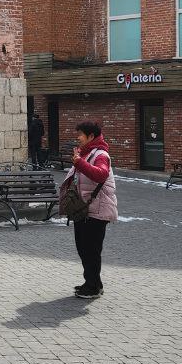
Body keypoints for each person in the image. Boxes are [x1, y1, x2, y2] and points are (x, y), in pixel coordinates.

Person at [64, 120, 118, 299]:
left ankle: (93, 287)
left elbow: (101, 174)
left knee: (91, 250)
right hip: (84, 209)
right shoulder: (86, 153)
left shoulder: (101, 154)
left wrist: (79, 163)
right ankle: (92, 282)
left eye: (80, 134)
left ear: (91, 136)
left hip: (97, 210)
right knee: (83, 248)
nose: (78, 138)